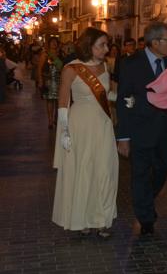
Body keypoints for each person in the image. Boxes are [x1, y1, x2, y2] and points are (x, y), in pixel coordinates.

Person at [52, 28, 119, 238]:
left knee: (104, 170)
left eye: (107, 44)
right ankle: (81, 220)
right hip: (80, 125)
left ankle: (101, 219)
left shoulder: (105, 65)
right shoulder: (71, 69)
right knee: (83, 170)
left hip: (103, 125)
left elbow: (106, 94)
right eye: (102, 45)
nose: (106, 49)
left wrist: (123, 99)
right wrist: (64, 132)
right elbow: (63, 102)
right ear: (89, 45)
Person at [116, 22, 167, 235]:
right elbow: (123, 99)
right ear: (155, 42)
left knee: (164, 168)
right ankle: (145, 218)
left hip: (166, 129)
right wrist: (123, 136)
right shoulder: (131, 64)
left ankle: (145, 201)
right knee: (140, 174)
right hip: (140, 129)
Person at [37, 37, 63, 129]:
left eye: (56, 42)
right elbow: (39, 68)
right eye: (52, 42)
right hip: (49, 80)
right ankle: (50, 121)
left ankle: (56, 119)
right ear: (49, 44)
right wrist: (40, 80)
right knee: (50, 100)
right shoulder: (45, 54)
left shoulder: (60, 54)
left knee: (58, 101)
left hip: (59, 80)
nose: (54, 44)